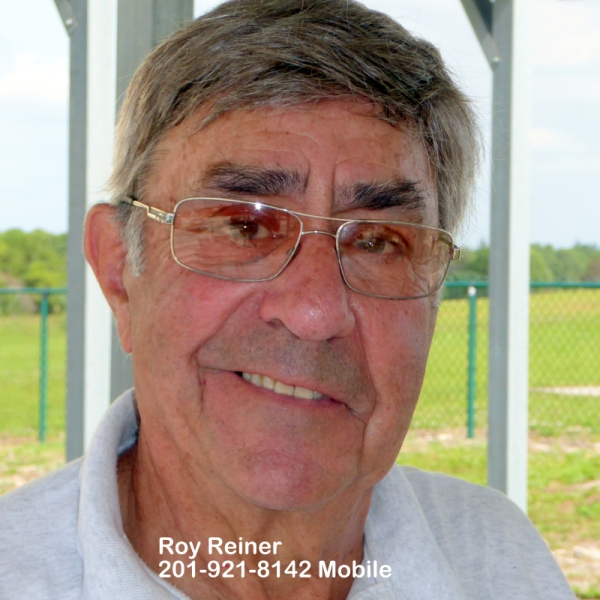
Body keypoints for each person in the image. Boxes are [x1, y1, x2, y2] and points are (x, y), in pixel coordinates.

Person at [0, 1, 574, 598]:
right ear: (119, 270)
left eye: (377, 241)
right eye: (245, 227)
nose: (315, 312)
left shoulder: (499, 560)